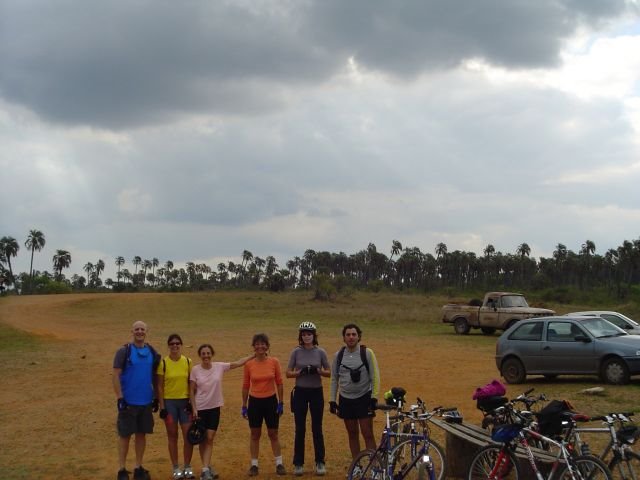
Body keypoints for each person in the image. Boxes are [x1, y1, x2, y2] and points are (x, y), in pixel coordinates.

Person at [189, 343, 253, 480]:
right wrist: (194, 409)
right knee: (203, 439)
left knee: (210, 437)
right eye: (203, 353)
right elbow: (191, 391)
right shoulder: (195, 370)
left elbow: (238, 363)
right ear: (200, 355)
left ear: (212, 354)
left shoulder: (219, 367)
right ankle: (206, 469)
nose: (206, 356)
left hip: (214, 407)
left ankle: (206, 467)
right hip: (200, 408)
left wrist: (253, 355)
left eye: (208, 353)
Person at [113, 321, 161, 480]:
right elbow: (116, 375)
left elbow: (155, 376)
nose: (140, 332)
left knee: (141, 435)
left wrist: (155, 397)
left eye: (142, 329)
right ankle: (122, 469)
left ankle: (138, 467)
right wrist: (120, 397)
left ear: (147, 331)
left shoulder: (152, 352)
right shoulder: (124, 351)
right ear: (132, 331)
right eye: (137, 329)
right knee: (125, 435)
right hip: (128, 402)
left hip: (145, 401)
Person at [329, 323, 380, 459]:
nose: (351, 337)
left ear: (359, 337)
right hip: (346, 399)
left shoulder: (367, 353)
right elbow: (334, 379)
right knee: (352, 434)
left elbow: (375, 377)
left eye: (354, 334)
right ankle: (357, 466)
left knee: (367, 433)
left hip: (364, 398)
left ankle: (375, 467)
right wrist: (332, 400)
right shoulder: (338, 355)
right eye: (348, 335)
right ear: (344, 338)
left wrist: (374, 397)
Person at [286, 321, 330, 476]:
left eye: (309, 334)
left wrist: (317, 371)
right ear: (301, 336)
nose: (306, 337)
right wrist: (300, 372)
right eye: (304, 334)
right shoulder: (296, 352)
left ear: (314, 335)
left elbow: (329, 372)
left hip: (316, 392)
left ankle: (320, 461)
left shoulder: (320, 352)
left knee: (317, 428)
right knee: (300, 428)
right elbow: (288, 373)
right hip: (300, 393)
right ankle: (298, 463)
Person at [242, 333, 286, 476]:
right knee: (255, 434)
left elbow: (279, 383)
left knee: (273, 433)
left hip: (270, 401)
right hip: (254, 402)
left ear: (267, 346)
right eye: (257, 344)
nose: (260, 346)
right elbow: (245, 385)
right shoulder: (249, 364)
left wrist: (280, 402)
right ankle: (254, 465)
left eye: (263, 344)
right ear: (253, 346)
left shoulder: (274, 362)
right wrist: (244, 405)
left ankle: (279, 463)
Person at [157, 334, 195, 480]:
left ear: (181, 345)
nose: (175, 346)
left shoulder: (187, 361)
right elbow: (159, 386)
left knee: (188, 436)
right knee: (172, 436)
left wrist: (192, 403)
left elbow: (191, 384)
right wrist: (162, 407)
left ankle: (187, 466)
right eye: (172, 343)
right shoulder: (163, 363)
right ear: (169, 346)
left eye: (177, 343)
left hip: (185, 403)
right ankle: (176, 468)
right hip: (170, 403)